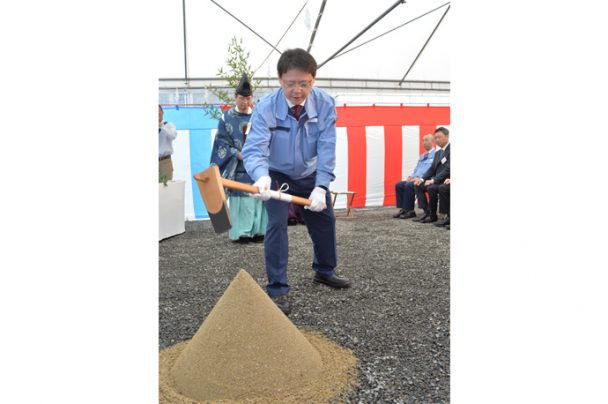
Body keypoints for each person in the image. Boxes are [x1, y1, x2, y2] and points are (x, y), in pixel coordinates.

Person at [242, 48, 351, 316]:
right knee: (277, 223)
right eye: (291, 83)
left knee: (324, 219)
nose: (298, 90)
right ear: (280, 79)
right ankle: (277, 288)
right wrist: (261, 175)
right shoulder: (266, 107)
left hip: (310, 174)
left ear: (313, 80)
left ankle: (324, 271)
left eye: (305, 83)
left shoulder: (325, 104)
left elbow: (327, 147)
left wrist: (321, 186)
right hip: (276, 174)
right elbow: (254, 149)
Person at [210, 74, 268, 243]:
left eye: (248, 98)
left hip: (257, 164)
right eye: (241, 98)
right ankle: (241, 232)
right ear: (235, 97)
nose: (244, 102)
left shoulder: (258, 115)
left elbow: (266, 137)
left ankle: (259, 231)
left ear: (251, 99)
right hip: (236, 165)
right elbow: (220, 142)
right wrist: (236, 154)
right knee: (241, 199)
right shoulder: (226, 117)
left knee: (258, 195)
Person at [393, 133, 436, 219]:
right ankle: (404, 209)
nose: (424, 142)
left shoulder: (436, 154)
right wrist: (411, 176)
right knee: (399, 185)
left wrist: (421, 178)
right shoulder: (422, 156)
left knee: (409, 185)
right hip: (415, 178)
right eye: (423, 140)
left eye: (426, 140)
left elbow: (432, 170)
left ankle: (410, 211)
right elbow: (417, 169)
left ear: (433, 142)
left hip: (425, 179)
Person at [413, 127, 450, 223]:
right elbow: (432, 169)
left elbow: (448, 169)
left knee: (434, 187)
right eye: (436, 138)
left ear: (446, 136)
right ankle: (428, 213)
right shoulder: (438, 153)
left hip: (446, 180)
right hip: (438, 180)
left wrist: (433, 180)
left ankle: (447, 216)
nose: (437, 140)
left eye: (439, 137)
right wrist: (422, 179)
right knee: (418, 185)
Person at [159, 104, 178, 180]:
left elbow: (173, 136)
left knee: (166, 188)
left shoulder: (169, 125)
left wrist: (162, 127)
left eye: (158, 111)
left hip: (165, 161)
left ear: (162, 112)